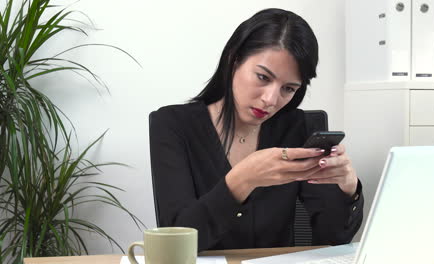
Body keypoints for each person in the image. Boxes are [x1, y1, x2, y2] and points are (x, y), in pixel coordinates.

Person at [149, 8, 363, 251]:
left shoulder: (298, 128)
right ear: (234, 59)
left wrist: (348, 189)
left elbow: (333, 239)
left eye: (289, 89)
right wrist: (242, 181)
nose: (271, 100)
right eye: (262, 77)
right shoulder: (173, 125)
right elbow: (175, 242)